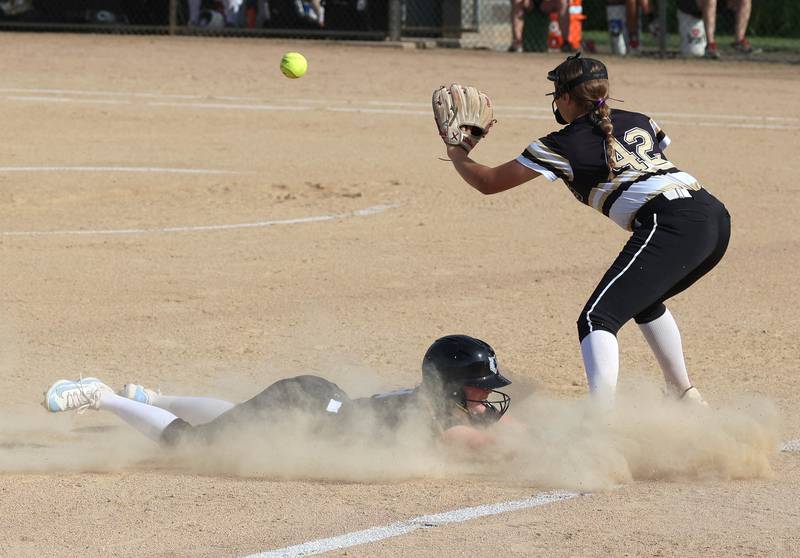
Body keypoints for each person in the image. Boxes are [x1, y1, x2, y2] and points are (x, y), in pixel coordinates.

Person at [435, 54, 730, 404]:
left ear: (564, 99)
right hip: (714, 216)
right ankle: (684, 395)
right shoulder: (639, 120)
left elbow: (488, 182)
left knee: (596, 318)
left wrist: (458, 152)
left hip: (671, 223)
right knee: (644, 300)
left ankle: (600, 423)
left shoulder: (561, 144)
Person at [43, 335, 514, 450]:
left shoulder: (438, 410)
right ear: (448, 387)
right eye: (478, 387)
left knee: (237, 418)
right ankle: (100, 395)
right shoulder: (447, 427)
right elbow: (498, 447)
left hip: (320, 402)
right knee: (196, 446)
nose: (485, 397)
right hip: (308, 406)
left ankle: (152, 399)